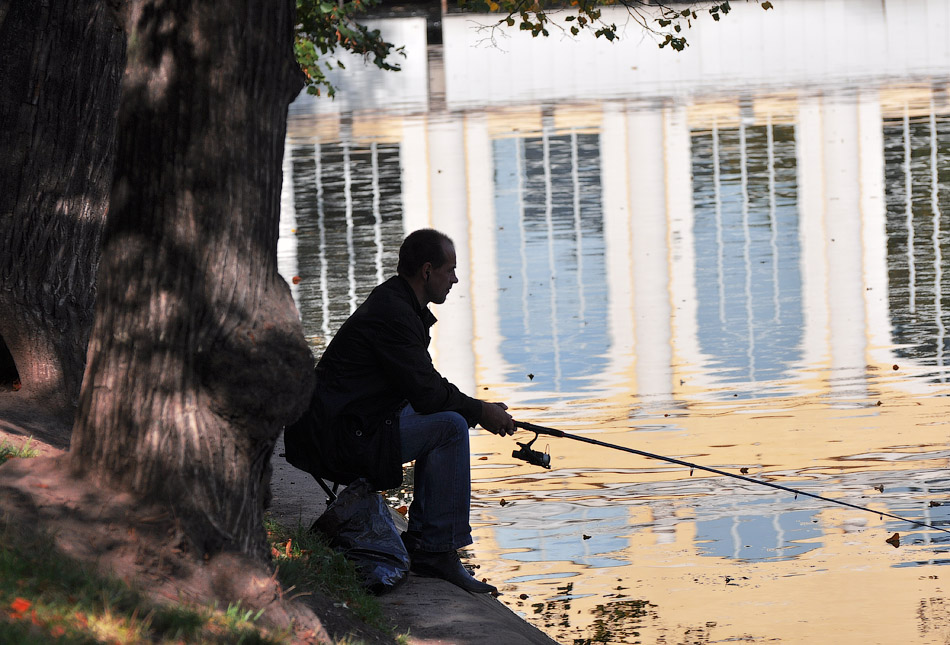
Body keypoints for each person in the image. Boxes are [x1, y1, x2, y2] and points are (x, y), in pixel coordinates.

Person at [284, 228, 515, 594]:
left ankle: (426, 541)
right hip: (338, 438)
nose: (455, 279)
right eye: (450, 270)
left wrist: (479, 408)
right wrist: (480, 412)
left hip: (348, 423)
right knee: (451, 428)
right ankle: (435, 551)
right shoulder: (394, 312)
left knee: (449, 417)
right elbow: (427, 392)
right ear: (427, 271)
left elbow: (422, 387)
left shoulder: (398, 302)